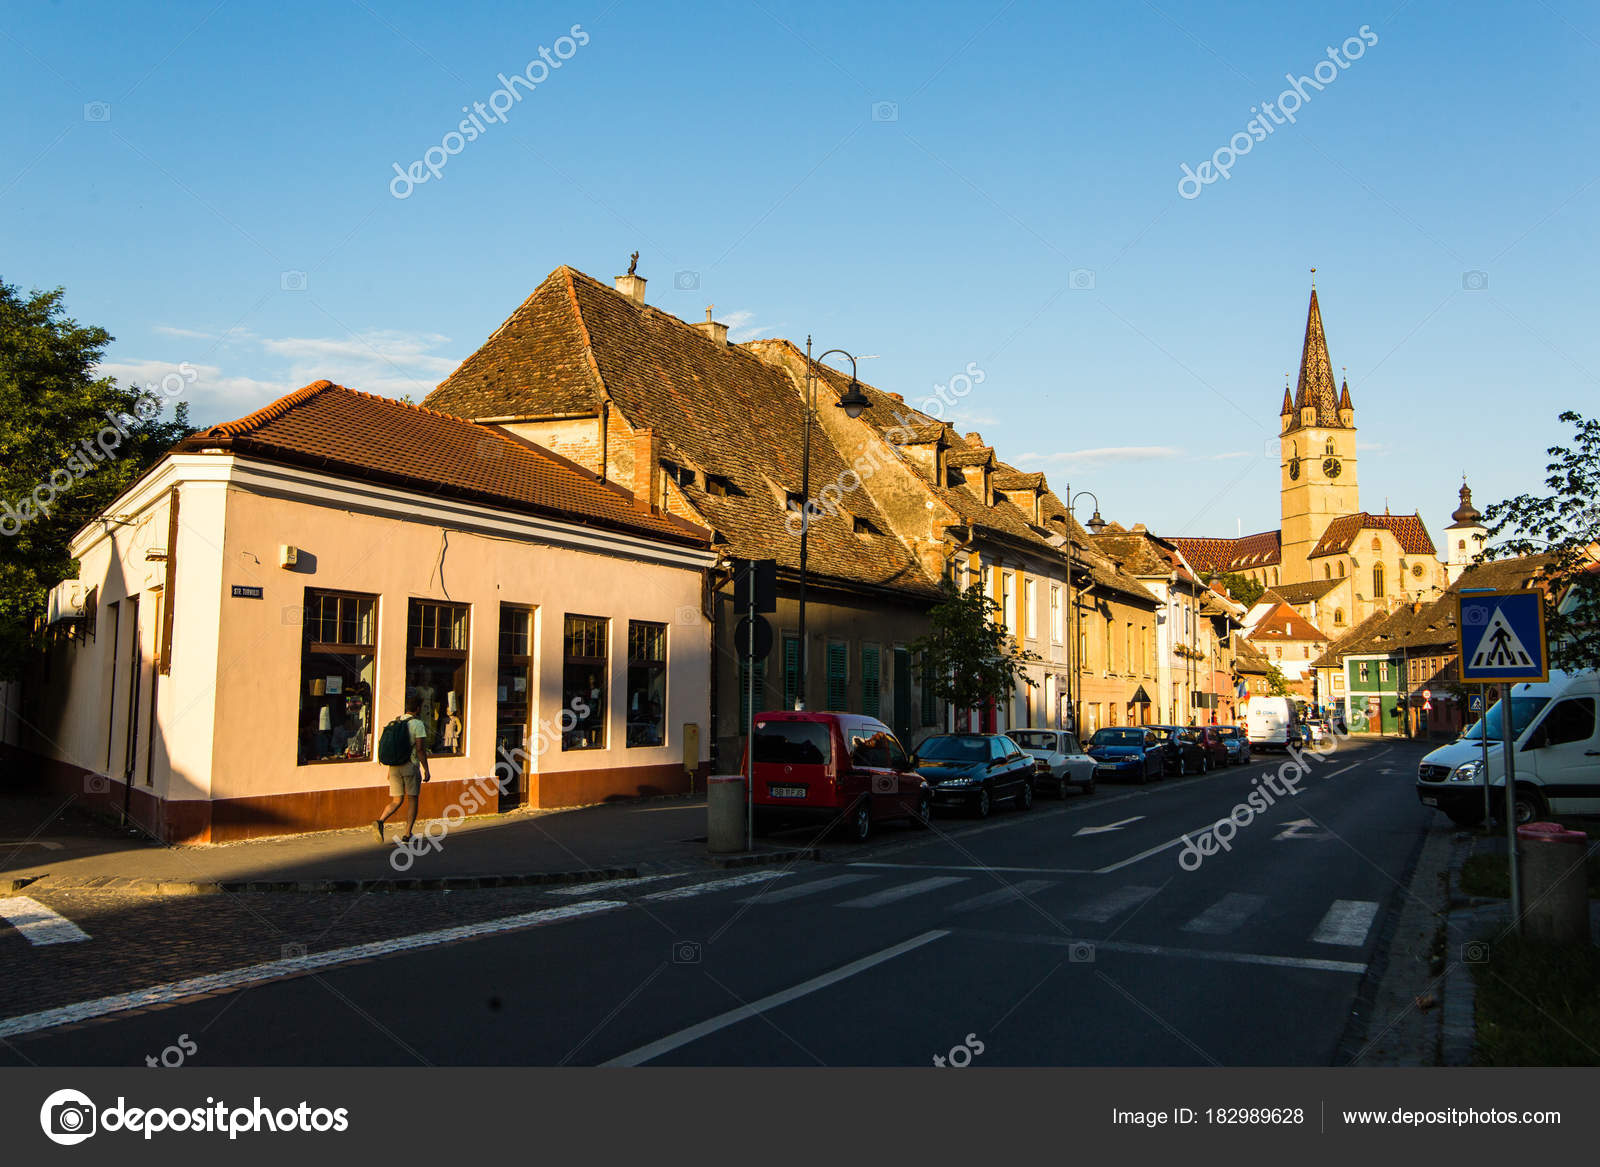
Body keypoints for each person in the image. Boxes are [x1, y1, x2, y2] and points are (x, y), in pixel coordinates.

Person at [375, 694, 430, 844]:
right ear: (418, 708)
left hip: (394, 767)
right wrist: (426, 769)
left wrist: (390, 768)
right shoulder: (418, 724)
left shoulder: (396, 721)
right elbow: (420, 749)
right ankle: (407, 834)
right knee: (412, 800)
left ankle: (380, 820)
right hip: (410, 766)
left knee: (396, 800)